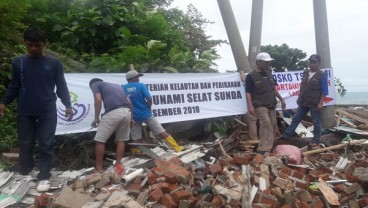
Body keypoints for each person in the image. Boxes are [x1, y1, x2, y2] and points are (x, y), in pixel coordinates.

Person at [0, 27, 73, 192]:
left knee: (46, 144)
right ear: (24, 43)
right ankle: (26, 171)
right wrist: (4, 102)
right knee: (26, 143)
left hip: (47, 110)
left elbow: (61, 85)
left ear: (44, 44)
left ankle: (44, 176)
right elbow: (14, 86)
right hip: (25, 110)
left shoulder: (54, 63)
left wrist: (67, 105)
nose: (33, 48)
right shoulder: (18, 63)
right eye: (30, 45)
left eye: (37, 45)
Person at [122, 70, 184, 152]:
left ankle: (136, 152)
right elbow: (149, 99)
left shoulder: (122, 88)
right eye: (137, 77)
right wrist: (148, 108)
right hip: (145, 113)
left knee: (136, 136)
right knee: (160, 131)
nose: (138, 78)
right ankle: (176, 147)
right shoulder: (141, 86)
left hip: (133, 116)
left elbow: (122, 102)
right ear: (133, 78)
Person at [281, 54, 328, 146]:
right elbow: (302, 87)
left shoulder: (322, 75)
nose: (311, 64)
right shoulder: (305, 73)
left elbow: (324, 91)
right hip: (303, 101)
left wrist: (321, 103)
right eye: (310, 62)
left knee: (316, 122)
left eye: (314, 62)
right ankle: (286, 135)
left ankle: (316, 140)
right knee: (296, 118)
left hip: (315, 102)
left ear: (318, 63)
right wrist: (299, 96)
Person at [89, 78, 133, 175]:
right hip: (127, 112)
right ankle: (118, 165)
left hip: (113, 112)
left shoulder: (95, 84)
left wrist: (96, 118)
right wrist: (131, 118)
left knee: (100, 140)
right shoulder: (118, 86)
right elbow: (129, 103)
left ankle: (99, 168)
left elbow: (98, 99)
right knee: (121, 139)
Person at [245, 52, 286, 153]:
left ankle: (269, 146)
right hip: (259, 104)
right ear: (258, 62)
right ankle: (263, 148)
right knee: (265, 123)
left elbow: (273, 89)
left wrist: (281, 99)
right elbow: (248, 92)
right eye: (266, 62)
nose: (268, 64)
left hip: (271, 103)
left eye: (269, 62)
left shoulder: (269, 73)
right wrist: (250, 106)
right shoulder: (251, 76)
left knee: (272, 124)